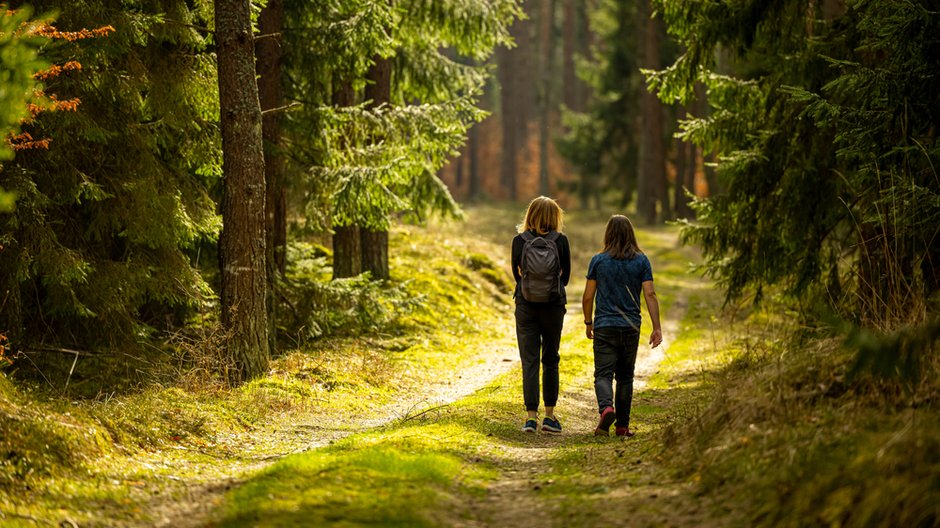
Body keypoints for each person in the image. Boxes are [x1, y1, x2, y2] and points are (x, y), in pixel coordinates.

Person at [582, 214, 663, 437]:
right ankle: (622, 427)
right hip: (630, 326)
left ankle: (607, 408)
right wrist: (656, 327)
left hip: (605, 326)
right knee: (626, 377)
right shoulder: (641, 261)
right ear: (631, 234)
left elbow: (588, 296)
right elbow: (650, 293)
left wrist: (589, 322)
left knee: (603, 375)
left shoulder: (598, 261)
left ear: (608, 234)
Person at [511, 196, 571, 433]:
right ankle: (549, 417)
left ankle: (529, 418)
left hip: (525, 305)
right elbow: (565, 277)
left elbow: (516, 274)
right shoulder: (561, 241)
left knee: (530, 361)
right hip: (553, 306)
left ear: (530, 215)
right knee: (550, 358)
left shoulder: (519, 240)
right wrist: (550, 289)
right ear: (555, 217)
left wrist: (529, 289)